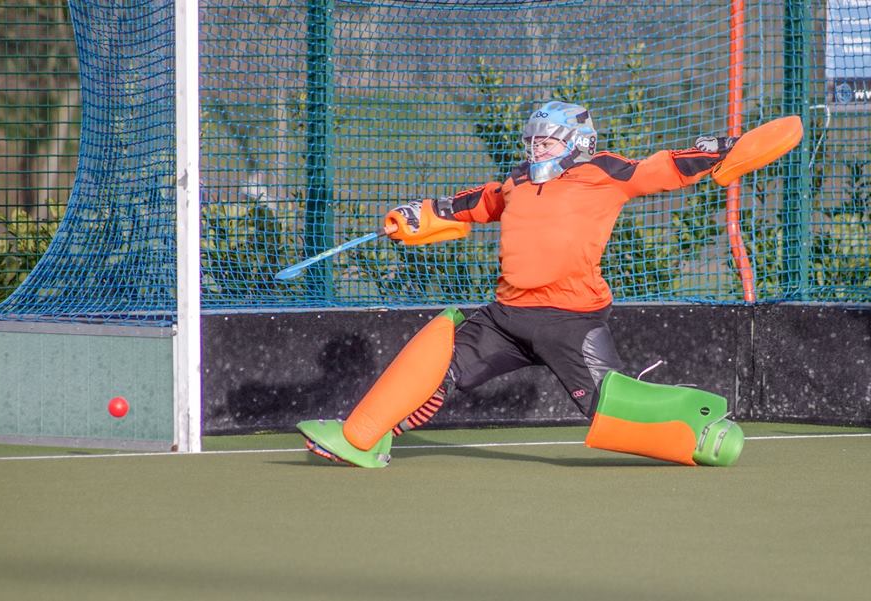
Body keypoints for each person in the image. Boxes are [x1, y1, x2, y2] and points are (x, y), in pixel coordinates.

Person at [297, 100, 745, 468]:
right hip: (505, 318)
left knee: (607, 408)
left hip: (569, 321)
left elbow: (663, 168)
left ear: (576, 142)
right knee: (438, 368)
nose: (535, 149)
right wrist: (421, 214)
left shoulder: (604, 172)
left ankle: (701, 428)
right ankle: (364, 438)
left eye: (545, 140)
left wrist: (722, 150)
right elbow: (475, 203)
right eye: (531, 141)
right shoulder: (516, 181)